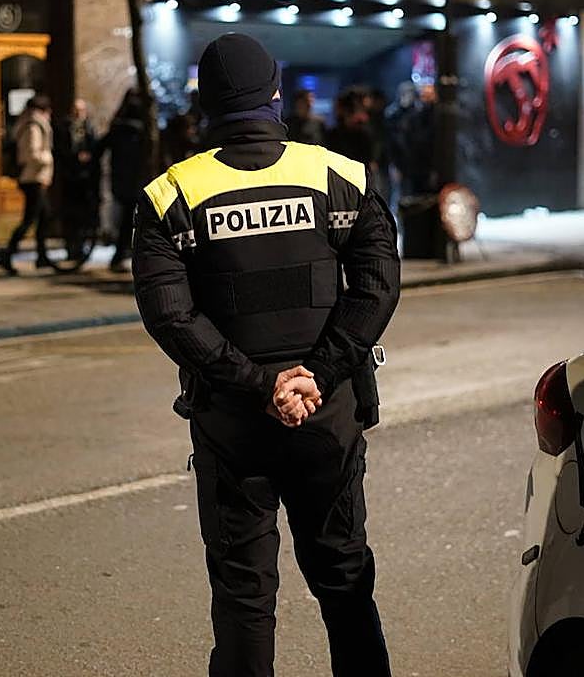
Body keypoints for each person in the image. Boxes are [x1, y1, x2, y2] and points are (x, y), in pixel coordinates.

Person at [133, 33, 401, 677]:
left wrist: (258, 382)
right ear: (274, 93)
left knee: (244, 598)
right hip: (328, 417)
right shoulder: (340, 177)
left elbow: (171, 315)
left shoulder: (171, 196)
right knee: (345, 586)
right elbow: (376, 287)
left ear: (206, 101)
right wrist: (320, 373)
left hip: (232, 426)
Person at [0, 94, 54, 274]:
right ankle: (7, 254)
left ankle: (41, 255)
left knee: (43, 216)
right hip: (33, 178)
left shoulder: (28, 123)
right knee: (30, 219)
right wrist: (48, 158)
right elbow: (32, 153)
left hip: (34, 178)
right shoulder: (33, 126)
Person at [100, 89, 148, 272]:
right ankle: (122, 255)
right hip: (137, 178)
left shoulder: (118, 126)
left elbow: (102, 145)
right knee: (133, 218)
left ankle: (121, 254)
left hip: (121, 178)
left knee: (127, 218)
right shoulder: (142, 127)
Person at [60, 97, 102, 260]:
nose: (79, 114)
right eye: (76, 110)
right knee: (71, 214)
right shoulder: (65, 127)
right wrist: (75, 158)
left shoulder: (89, 128)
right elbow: (62, 150)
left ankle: (82, 246)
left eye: (81, 110)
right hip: (71, 177)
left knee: (85, 214)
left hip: (86, 179)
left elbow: (95, 148)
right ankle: (71, 247)